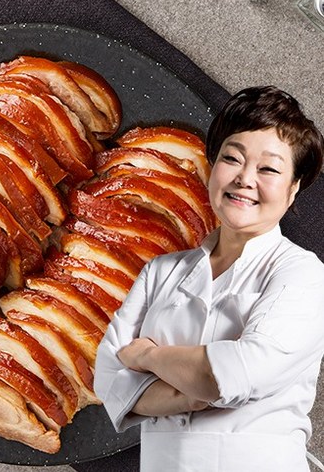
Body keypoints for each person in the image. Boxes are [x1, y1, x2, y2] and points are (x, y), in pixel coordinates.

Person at [94, 86, 324, 472]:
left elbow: (231, 376)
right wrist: (193, 391)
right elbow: (107, 378)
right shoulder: (161, 271)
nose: (245, 179)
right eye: (232, 159)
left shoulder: (303, 274)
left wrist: (149, 356)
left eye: (268, 168)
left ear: (293, 188)